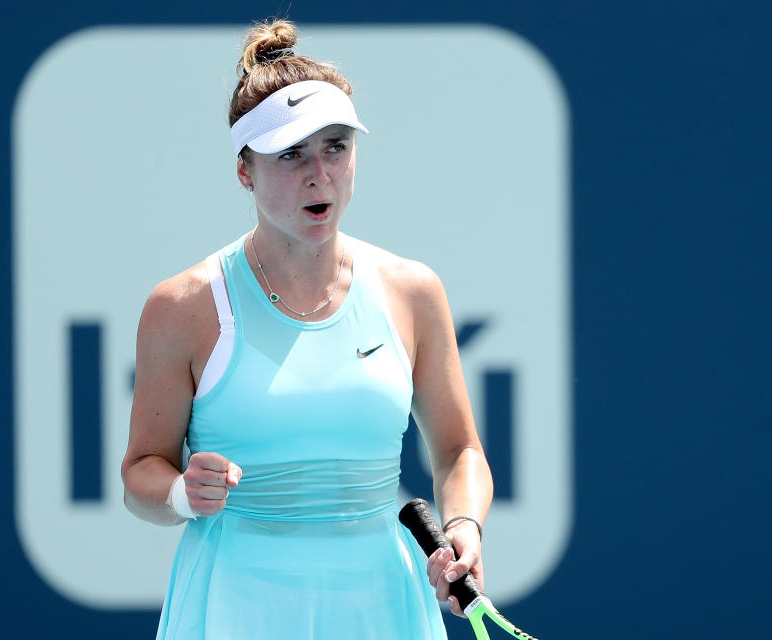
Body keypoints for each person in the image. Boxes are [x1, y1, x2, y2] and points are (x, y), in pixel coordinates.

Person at [121, 19, 493, 639]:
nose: (319, 173)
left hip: (383, 604)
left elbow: (460, 452)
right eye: (291, 154)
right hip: (236, 605)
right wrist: (183, 493)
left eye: (336, 147)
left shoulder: (413, 291)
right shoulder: (181, 307)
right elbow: (141, 472)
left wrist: (463, 528)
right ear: (245, 170)